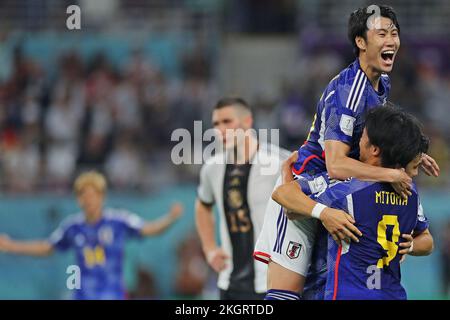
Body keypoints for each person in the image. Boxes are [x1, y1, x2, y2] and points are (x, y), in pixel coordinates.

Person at [253, 4, 439, 300]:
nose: (391, 40)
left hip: (344, 192)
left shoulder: (382, 83)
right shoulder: (347, 91)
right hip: (306, 191)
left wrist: (411, 150)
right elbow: (337, 165)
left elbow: (384, 132)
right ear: (360, 42)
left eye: (394, 33)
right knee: (284, 295)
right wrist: (391, 172)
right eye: (381, 33)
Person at [272, 106, 434, 299]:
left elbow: (286, 200)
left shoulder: (347, 188)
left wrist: (288, 176)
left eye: (363, 136)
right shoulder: (410, 193)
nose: (357, 140)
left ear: (374, 149)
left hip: (349, 293)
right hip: (392, 294)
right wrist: (412, 246)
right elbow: (428, 242)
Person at [0, 171, 183, 300]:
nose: (89, 200)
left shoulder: (119, 221)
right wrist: (12, 246)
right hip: (83, 295)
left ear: (102, 197)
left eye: (93, 195)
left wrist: (170, 219)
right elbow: (48, 247)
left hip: (112, 295)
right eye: (84, 195)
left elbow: (149, 229)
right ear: (78, 199)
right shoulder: (73, 227)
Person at [195, 97, 290, 300]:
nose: (220, 129)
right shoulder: (212, 168)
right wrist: (209, 248)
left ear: (247, 122)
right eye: (216, 124)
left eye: (227, 122)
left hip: (273, 282)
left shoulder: (279, 163)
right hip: (229, 281)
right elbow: (203, 205)